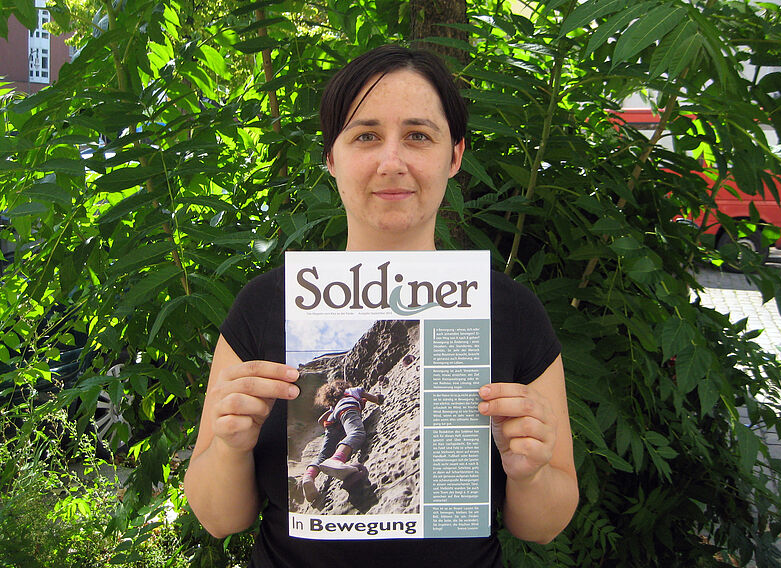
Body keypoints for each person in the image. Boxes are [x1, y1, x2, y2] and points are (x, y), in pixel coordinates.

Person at [184, 44, 579, 568]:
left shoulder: (512, 312)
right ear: (331, 157)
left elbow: (544, 526)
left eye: (418, 136)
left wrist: (530, 471)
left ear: (455, 155)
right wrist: (229, 447)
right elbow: (218, 519)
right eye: (366, 136)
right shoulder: (262, 307)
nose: (392, 163)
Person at [301, 379, 385, 501]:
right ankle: (336, 459)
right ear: (344, 387)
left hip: (331, 423)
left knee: (323, 455)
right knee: (356, 433)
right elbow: (374, 399)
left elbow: (320, 420)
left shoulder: (333, 406)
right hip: (348, 409)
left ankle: (308, 477)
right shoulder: (353, 390)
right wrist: (377, 398)